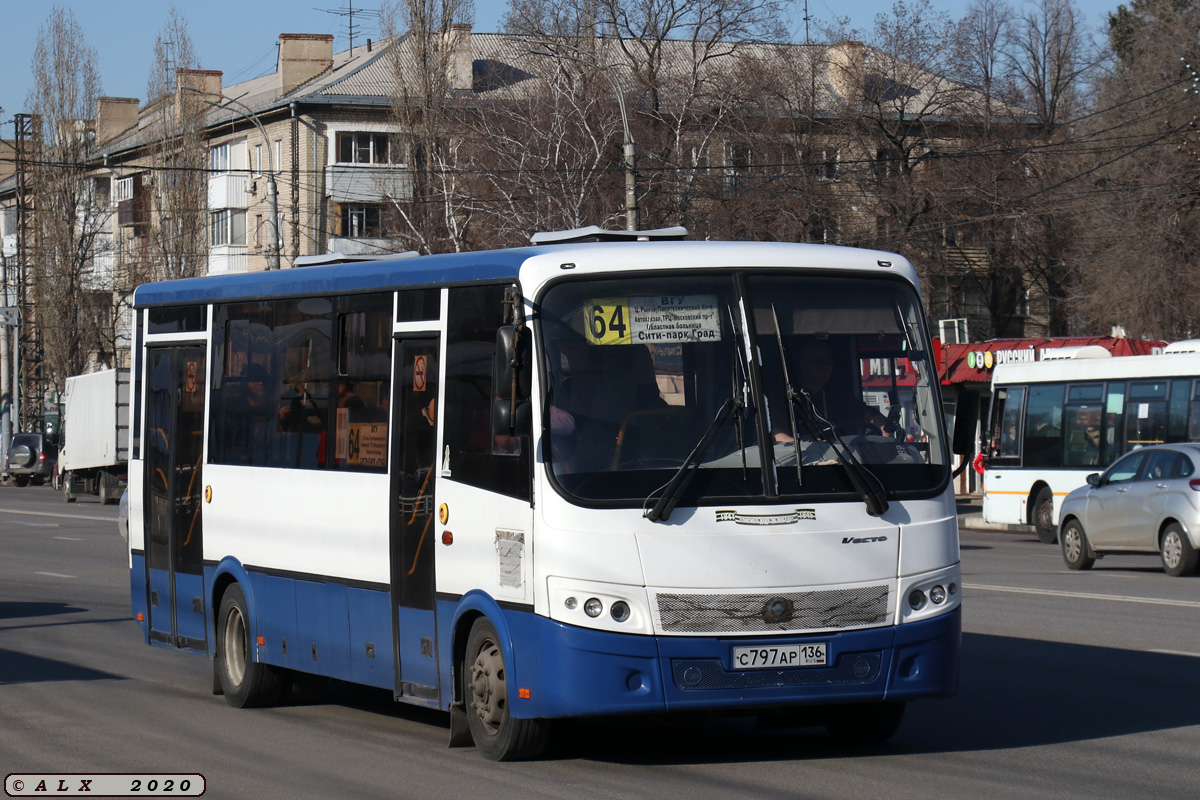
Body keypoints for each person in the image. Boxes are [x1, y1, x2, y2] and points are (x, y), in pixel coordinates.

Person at [773, 339, 891, 443]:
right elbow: (774, 432)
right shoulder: (786, 398)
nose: (826, 366)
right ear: (802, 364)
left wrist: (881, 425)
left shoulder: (837, 397)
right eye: (819, 362)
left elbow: (866, 413)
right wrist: (802, 445)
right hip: (802, 462)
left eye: (829, 361)